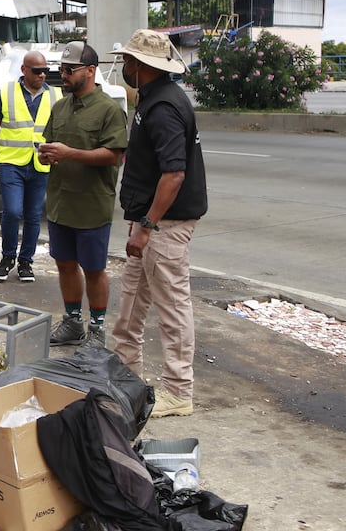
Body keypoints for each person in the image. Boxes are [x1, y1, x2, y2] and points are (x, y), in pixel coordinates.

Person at [110, 28, 208, 419]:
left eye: (128, 62)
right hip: (149, 221)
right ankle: (125, 372)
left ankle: (178, 392)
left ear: (141, 66)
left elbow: (174, 175)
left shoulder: (164, 106)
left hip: (163, 224)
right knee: (132, 302)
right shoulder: (152, 98)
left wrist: (148, 225)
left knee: (172, 309)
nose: (124, 67)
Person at [37, 41, 128, 348]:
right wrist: (45, 156)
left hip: (91, 205)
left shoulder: (109, 110)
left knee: (93, 268)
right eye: (61, 69)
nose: (63, 75)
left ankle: (98, 330)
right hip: (61, 202)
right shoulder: (60, 107)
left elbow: (113, 156)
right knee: (64, 263)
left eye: (69, 70)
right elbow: (47, 149)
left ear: (91, 71)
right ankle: (73, 322)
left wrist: (70, 153)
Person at [0, 50, 61, 283]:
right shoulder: (7, 92)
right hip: (11, 162)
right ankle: (7, 258)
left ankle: (26, 262)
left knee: (33, 215)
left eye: (46, 71)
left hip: (40, 164)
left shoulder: (56, 96)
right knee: (13, 211)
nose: (42, 75)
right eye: (37, 71)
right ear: (24, 70)